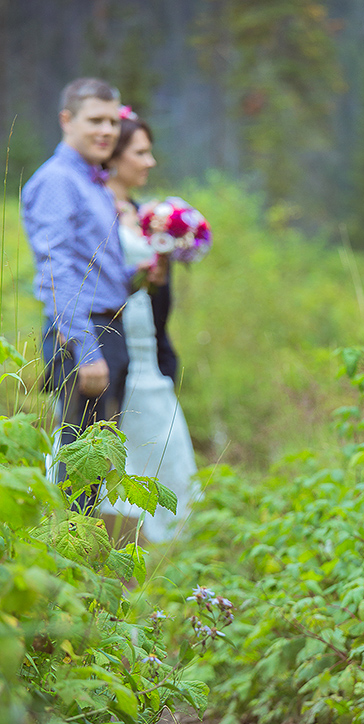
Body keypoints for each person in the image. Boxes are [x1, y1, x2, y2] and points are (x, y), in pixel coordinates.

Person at [22, 78, 131, 504]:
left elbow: (98, 262)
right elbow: (56, 269)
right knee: (79, 465)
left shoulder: (90, 179)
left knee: (95, 463)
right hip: (84, 333)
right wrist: (86, 349)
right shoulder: (58, 181)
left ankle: (84, 559)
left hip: (106, 327)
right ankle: (68, 559)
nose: (107, 131)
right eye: (95, 121)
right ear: (67, 120)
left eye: (112, 121)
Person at [101, 108, 198, 542]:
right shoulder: (93, 210)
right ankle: (105, 576)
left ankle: (134, 576)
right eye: (141, 152)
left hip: (147, 355)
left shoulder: (141, 213)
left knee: (163, 461)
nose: (150, 162)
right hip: (109, 354)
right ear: (114, 155)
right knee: (108, 473)